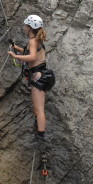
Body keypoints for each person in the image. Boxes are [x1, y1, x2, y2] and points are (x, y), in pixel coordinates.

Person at [8, 15, 56, 145]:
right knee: (38, 109)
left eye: (25, 25)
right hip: (43, 75)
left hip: (38, 76)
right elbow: (28, 52)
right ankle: (40, 133)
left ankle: (41, 137)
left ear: (29, 27)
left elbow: (32, 57)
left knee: (39, 110)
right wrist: (15, 48)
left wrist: (14, 55)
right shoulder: (37, 41)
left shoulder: (33, 41)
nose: (24, 27)